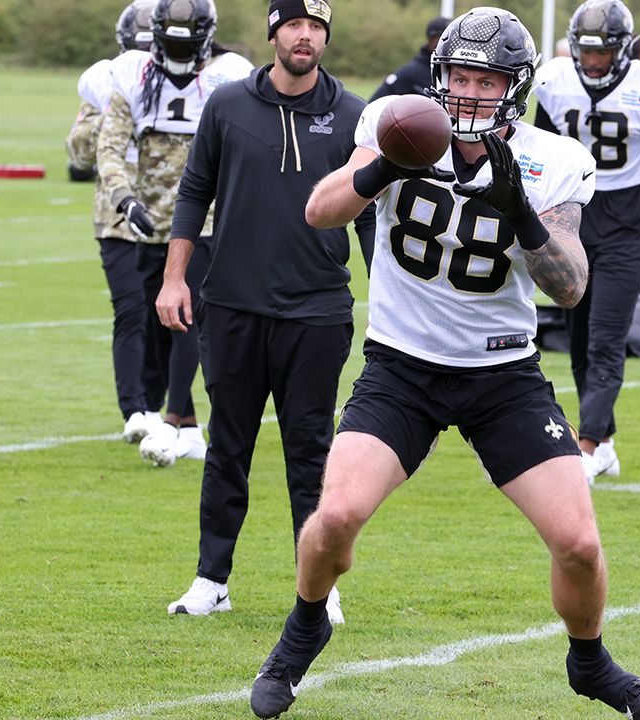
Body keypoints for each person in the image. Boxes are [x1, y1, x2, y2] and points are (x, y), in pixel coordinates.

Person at [247, 8, 640, 720]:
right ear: (440, 76)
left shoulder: (551, 160)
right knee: (334, 519)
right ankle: (304, 628)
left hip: (502, 376)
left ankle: (590, 662)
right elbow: (320, 211)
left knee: (577, 542)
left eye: (487, 80)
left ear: (515, 87)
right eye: (461, 76)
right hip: (401, 367)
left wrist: (525, 215)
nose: (470, 93)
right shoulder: (394, 120)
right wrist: (385, 162)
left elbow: (571, 286)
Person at [157, 0, 371, 620]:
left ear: (326, 36)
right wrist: (175, 279)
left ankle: (318, 587)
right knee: (228, 445)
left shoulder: (354, 115)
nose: (305, 37)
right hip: (232, 305)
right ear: (274, 32)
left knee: (311, 451)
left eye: (316, 27)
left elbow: (369, 218)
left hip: (317, 311)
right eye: (294, 25)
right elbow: (195, 191)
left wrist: (390, 301)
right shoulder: (227, 105)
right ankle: (211, 580)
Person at [532, 0, 640, 484]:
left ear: (624, 51)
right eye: (586, 52)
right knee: (580, 343)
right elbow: (535, 154)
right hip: (573, 221)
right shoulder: (555, 82)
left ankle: (583, 449)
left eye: (602, 53)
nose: (592, 62)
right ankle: (603, 443)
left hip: (629, 227)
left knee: (606, 340)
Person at [97, 0, 254, 467]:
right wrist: (125, 199)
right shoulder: (131, 76)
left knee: (187, 316)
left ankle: (170, 420)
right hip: (148, 221)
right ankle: (188, 425)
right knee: (160, 326)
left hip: (206, 220)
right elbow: (109, 148)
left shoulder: (231, 76)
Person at [65, 0, 166, 444]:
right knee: (130, 309)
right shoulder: (103, 83)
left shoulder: (189, 82)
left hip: (168, 211)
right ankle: (134, 409)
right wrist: (114, 111)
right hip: (115, 215)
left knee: (168, 314)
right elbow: (79, 154)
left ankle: (156, 401)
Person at [368, 16, 450, 101]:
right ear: (431, 39)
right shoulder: (412, 72)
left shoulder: (449, 69)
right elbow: (373, 104)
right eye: (444, 38)